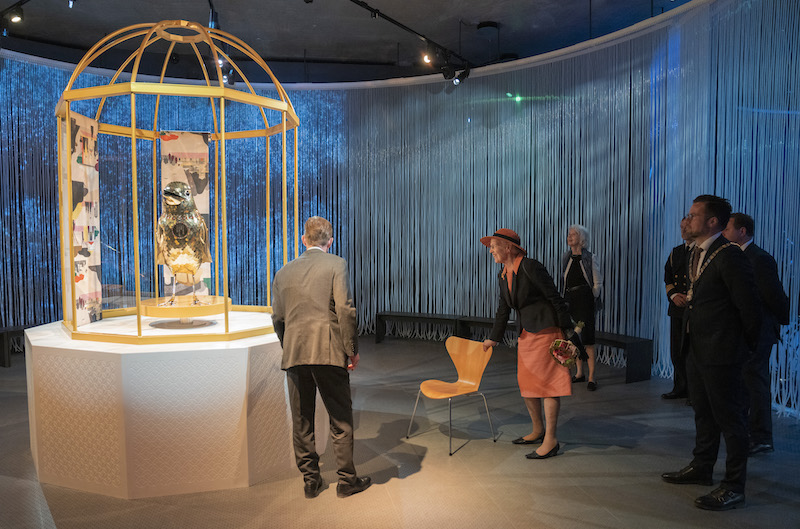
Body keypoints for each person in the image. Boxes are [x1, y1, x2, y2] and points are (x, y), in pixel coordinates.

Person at [661, 195, 760, 511]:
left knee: (731, 421)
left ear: (712, 222)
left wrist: (740, 351)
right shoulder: (696, 254)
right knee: (703, 414)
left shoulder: (729, 255)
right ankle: (702, 467)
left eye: (692, 215)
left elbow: (750, 308)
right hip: (698, 351)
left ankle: (734, 485)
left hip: (723, 355)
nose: (686, 220)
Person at [271, 216, 371, 499]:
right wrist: (351, 349)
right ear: (331, 241)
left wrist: (288, 344)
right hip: (328, 351)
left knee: (302, 420)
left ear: (303, 240)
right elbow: (345, 310)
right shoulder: (337, 264)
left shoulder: (283, 272)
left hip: (295, 353)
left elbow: (277, 318)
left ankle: (311, 481)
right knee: (340, 418)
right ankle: (347, 480)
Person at [481, 229, 573, 459]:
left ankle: (551, 440)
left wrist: (568, 333)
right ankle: (538, 430)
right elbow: (504, 308)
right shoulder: (503, 274)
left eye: (493, 246)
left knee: (548, 385)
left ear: (508, 247)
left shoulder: (531, 267)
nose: (490, 250)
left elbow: (555, 298)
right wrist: (494, 337)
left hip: (546, 331)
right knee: (527, 383)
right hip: (526, 334)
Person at [722, 212, 790, 456]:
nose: (723, 232)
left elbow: (775, 297)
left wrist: (778, 323)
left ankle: (761, 437)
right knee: (746, 382)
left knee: (755, 383)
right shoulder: (736, 257)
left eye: (727, 228)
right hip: (744, 331)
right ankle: (749, 431)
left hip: (759, 332)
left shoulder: (759, 258)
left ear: (742, 231)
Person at [560, 224, 602, 391]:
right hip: (570, 301)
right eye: (568, 234)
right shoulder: (566, 257)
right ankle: (579, 373)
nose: (569, 237)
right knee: (574, 337)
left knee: (588, 339)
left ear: (582, 238)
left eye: (573, 234)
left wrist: (592, 297)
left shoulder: (590, 257)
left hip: (585, 301)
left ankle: (592, 377)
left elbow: (597, 282)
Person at [662, 216, 694, 400]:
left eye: (686, 227)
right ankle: (680, 387)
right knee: (677, 350)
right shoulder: (676, 252)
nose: (683, 231)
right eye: (681, 227)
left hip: (693, 307)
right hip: (677, 307)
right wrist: (673, 295)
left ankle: (693, 392)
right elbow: (668, 277)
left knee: (692, 351)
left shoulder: (701, 251)